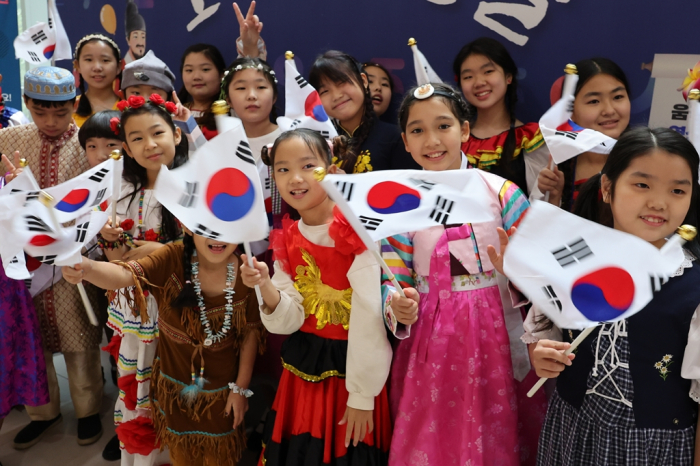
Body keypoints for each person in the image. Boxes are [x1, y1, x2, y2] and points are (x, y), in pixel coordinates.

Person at [386, 83, 546, 466]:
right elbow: (393, 276)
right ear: (405, 142)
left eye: (443, 126)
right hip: (430, 337)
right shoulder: (396, 203)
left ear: (465, 130)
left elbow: (539, 271)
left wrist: (519, 272)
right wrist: (397, 305)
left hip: (497, 333)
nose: (432, 140)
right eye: (418, 130)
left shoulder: (502, 193)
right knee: (432, 427)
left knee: (499, 422)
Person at [523, 127, 700, 465]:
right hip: (572, 432)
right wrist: (541, 355)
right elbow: (544, 332)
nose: (659, 203)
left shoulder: (693, 287)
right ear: (607, 187)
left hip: (653, 449)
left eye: (678, 190)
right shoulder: (572, 259)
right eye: (642, 184)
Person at [241, 128, 405, 465]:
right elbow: (290, 319)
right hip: (303, 371)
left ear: (331, 171)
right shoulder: (288, 236)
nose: (295, 178)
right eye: (283, 169)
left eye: (307, 166)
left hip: (356, 371)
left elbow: (369, 314)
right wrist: (265, 285)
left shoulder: (356, 229)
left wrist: (362, 396)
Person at [62, 228, 264, 465]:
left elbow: (251, 333)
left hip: (222, 391)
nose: (217, 238)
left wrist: (240, 389)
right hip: (173, 389)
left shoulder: (247, 272)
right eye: (206, 227)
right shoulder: (171, 258)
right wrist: (88, 268)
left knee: (218, 456)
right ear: (188, 226)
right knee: (180, 455)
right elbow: (124, 275)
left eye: (225, 227)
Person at [0, 66, 105, 449]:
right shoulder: (7, 138)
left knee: (79, 337)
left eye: (60, 113)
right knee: (31, 340)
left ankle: (89, 409)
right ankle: (42, 412)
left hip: (73, 258)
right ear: (26, 103)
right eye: (40, 112)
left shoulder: (89, 142)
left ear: (74, 104)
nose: (50, 122)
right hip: (22, 262)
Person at [97, 96, 188, 464]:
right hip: (135, 310)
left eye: (157, 133)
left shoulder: (194, 189)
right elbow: (116, 259)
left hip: (178, 309)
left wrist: (146, 252)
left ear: (176, 135)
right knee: (138, 385)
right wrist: (109, 239)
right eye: (136, 138)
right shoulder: (122, 194)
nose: (149, 144)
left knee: (177, 386)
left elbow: (196, 255)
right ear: (127, 148)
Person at [453, 37, 549, 196]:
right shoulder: (455, 139)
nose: (479, 82)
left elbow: (542, 204)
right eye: (468, 76)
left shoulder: (530, 139)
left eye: (488, 71)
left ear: (508, 77)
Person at [534, 58, 631, 210]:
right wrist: (554, 197)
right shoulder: (556, 165)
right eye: (594, 101)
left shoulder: (646, 157)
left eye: (618, 97)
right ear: (570, 111)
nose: (609, 110)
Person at [310, 50, 419, 173]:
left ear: (363, 81)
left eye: (342, 83)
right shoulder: (319, 145)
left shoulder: (396, 138)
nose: (336, 96)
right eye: (325, 91)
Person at [73, 33, 122, 127]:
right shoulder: (69, 108)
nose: (97, 68)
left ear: (118, 67)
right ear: (77, 65)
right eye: (89, 60)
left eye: (105, 60)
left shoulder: (130, 107)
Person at [123, 0, 146, 67]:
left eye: (143, 37)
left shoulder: (150, 69)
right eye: (135, 36)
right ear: (128, 40)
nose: (140, 43)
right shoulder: (119, 70)